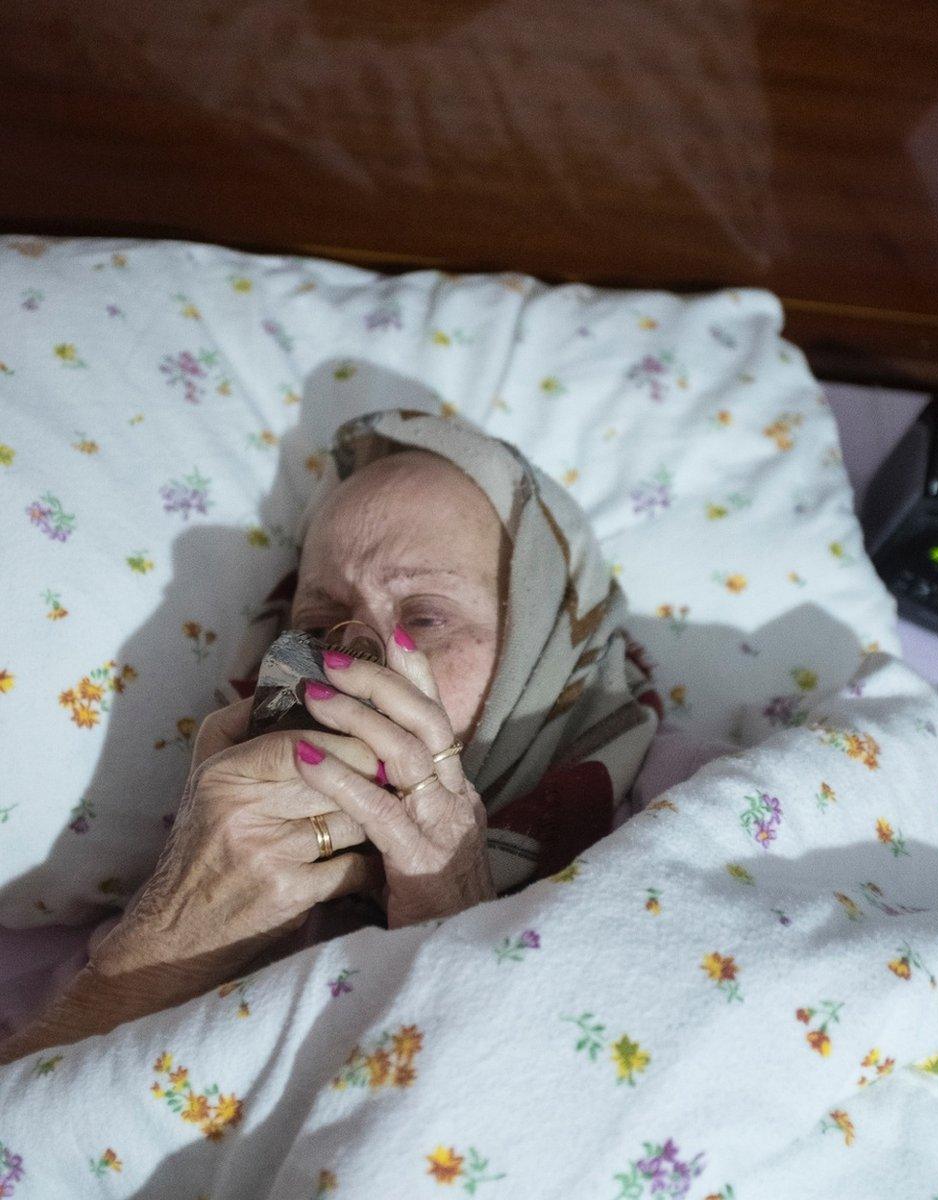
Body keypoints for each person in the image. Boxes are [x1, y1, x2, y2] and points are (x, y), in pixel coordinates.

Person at [0, 408, 659, 1065]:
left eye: (425, 617)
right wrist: (170, 939)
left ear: (545, 642)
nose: (359, 654)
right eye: (318, 626)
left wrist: (455, 916)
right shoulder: (212, 859)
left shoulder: (679, 818)